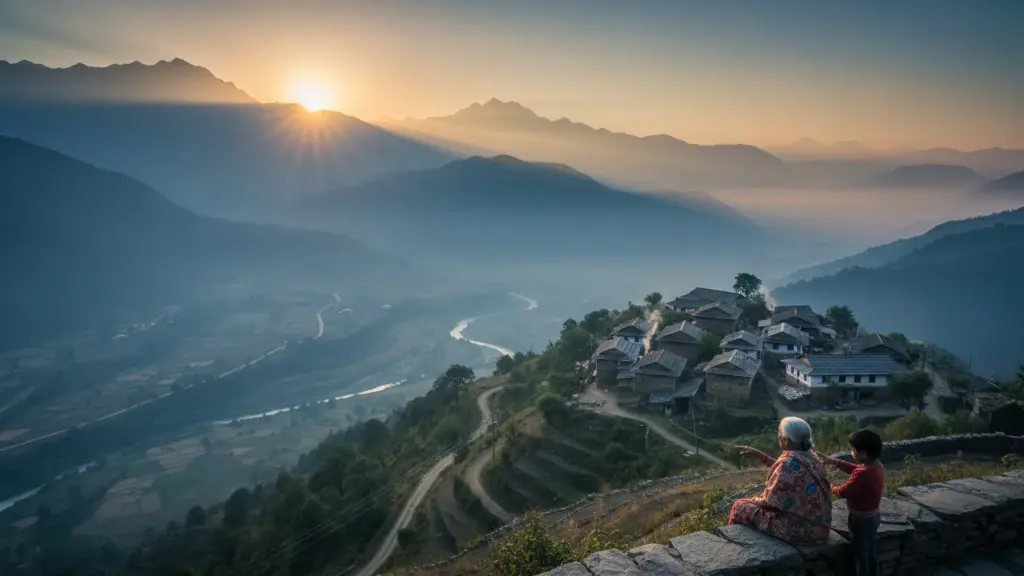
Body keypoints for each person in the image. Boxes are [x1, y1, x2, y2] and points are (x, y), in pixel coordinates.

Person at [729, 417, 832, 545]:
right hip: (821, 527)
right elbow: (793, 472)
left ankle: (733, 543)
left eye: (779, 434)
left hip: (801, 532)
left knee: (739, 506)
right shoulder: (812, 457)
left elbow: (770, 503)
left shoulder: (786, 464)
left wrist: (752, 500)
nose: (778, 436)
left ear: (785, 440)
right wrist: (762, 456)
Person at [820, 429, 885, 576]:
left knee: (860, 553)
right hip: (874, 516)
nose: (851, 452)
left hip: (860, 519)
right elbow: (856, 469)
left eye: (853, 450)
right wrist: (834, 462)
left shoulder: (863, 474)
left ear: (862, 453)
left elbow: (845, 491)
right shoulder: (876, 466)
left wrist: (830, 487)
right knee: (870, 550)